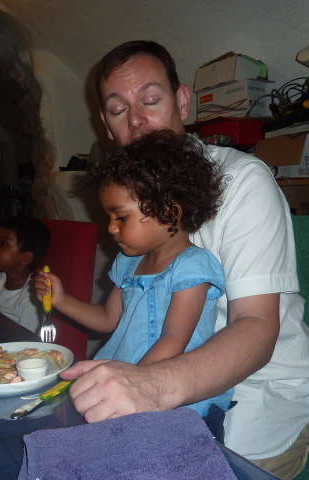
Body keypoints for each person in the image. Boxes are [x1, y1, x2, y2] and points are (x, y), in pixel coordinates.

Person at [58, 40, 309, 479]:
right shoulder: (128, 202)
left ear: (182, 102)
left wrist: (150, 385)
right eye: (119, 109)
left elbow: (255, 327)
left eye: (150, 100)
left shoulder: (242, 181)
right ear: (106, 124)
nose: (136, 120)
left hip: (255, 388)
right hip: (151, 375)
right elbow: (120, 316)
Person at [36, 129, 234, 424]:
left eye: (121, 217)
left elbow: (173, 339)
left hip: (173, 403)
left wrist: (133, 382)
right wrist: (61, 299)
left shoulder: (193, 266)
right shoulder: (128, 263)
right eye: (110, 217)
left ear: (170, 212)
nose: (111, 228)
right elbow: (108, 318)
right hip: (124, 390)